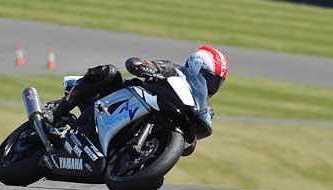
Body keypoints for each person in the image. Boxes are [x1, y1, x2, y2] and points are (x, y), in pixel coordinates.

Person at [46, 44, 229, 140]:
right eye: (210, 78)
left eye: (216, 83)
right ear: (196, 67)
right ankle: (57, 111)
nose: (211, 86)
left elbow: (189, 146)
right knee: (108, 72)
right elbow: (134, 63)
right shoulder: (173, 70)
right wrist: (144, 68)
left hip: (146, 127)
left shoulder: (201, 108)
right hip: (122, 100)